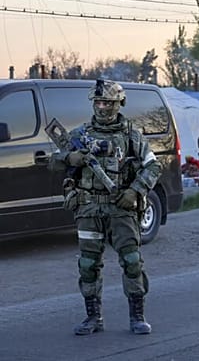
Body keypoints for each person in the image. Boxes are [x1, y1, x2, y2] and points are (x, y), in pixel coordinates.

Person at [55, 79, 162, 336]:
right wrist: (71, 158)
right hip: (89, 209)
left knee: (132, 261)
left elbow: (153, 166)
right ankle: (93, 317)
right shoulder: (80, 135)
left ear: (118, 104)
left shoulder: (131, 135)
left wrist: (135, 190)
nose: (102, 107)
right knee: (88, 264)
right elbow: (54, 160)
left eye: (108, 103)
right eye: (98, 102)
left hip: (121, 209)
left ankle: (137, 316)